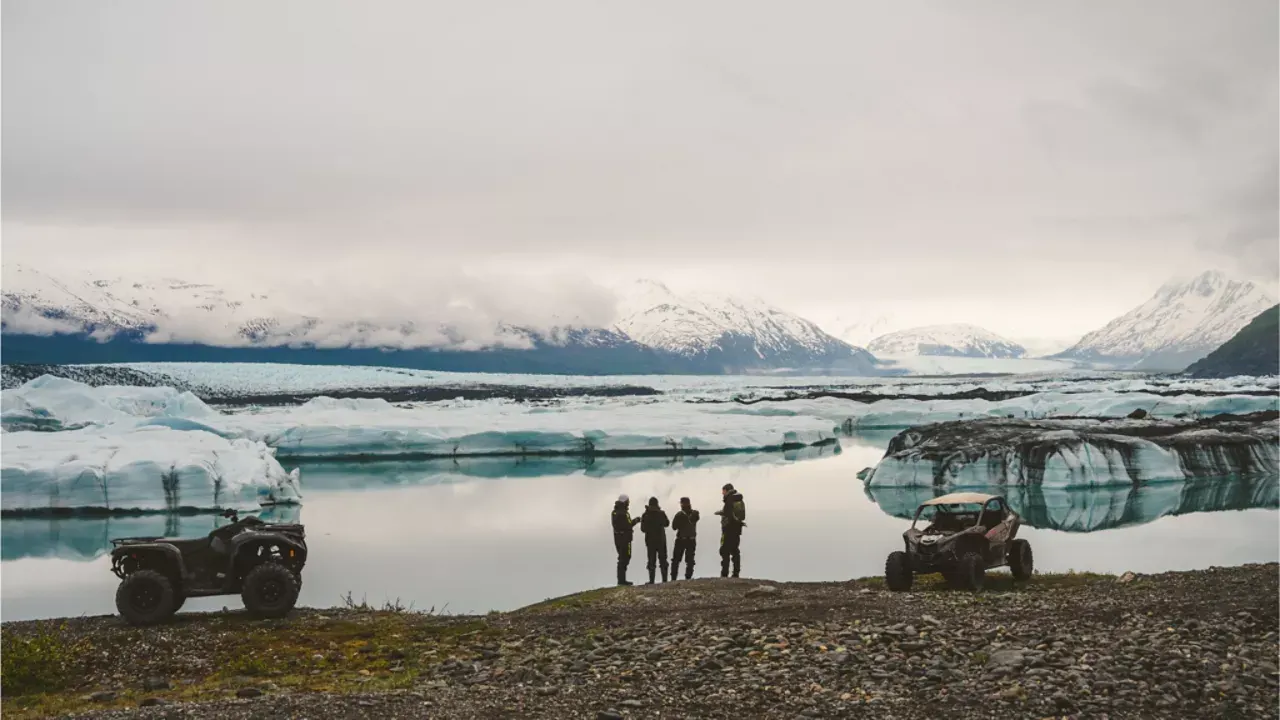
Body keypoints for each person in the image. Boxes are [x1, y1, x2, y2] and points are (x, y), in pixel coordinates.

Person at [715, 482, 746, 578]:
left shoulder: (729, 500)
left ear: (726, 490)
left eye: (723, 491)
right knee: (735, 550)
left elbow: (728, 514)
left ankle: (724, 573)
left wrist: (721, 514)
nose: (722, 493)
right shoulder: (739, 500)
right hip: (737, 529)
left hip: (728, 529)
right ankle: (736, 573)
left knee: (724, 550)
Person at [611, 494, 641, 586]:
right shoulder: (625, 513)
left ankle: (621, 579)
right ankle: (622, 580)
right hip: (626, 539)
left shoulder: (614, 512)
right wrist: (637, 520)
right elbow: (628, 524)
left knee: (621, 558)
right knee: (625, 558)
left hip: (617, 538)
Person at [639, 497, 671, 583]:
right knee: (663, 560)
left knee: (651, 561)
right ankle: (665, 580)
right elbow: (667, 523)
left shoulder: (645, 515)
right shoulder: (661, 513)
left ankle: (651, 581)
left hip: (650, 541)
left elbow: (642, 529)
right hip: (661, 540)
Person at [671, 497, 699, 580]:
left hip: (681, 539)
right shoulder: (695, 513)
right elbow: (696, 519)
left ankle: (673, 578)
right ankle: (688, 577)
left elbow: (674, 527)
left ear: (682, 504)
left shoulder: (679, 515)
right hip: (691, 539)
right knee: (690, 560)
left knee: (676, 560)